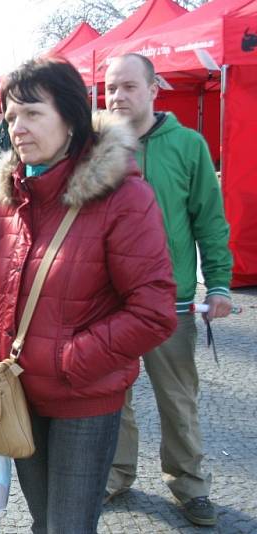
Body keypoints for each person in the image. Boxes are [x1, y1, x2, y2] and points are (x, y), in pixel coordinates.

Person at [0, 58, 177, 533]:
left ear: (72, 117)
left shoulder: (123, 196)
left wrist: (68, 359)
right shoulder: (15, 195)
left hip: (82, 397)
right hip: (15, 388)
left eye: (33, 113)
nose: (17, 127)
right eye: (11, 115)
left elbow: (154, 311)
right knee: (44, 522)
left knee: (69, 527)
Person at [104, 53, 233, 527]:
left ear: (154, 88)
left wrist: (217, 281)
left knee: (177, 399)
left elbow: (209, 220)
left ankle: (188, 483)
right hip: (107, 301)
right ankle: (115, 475)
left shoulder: (188, 144)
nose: (117, 96)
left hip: (169, 301)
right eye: (110, 88)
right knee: (111, 398)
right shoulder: (95, 144)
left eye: (128, 87)